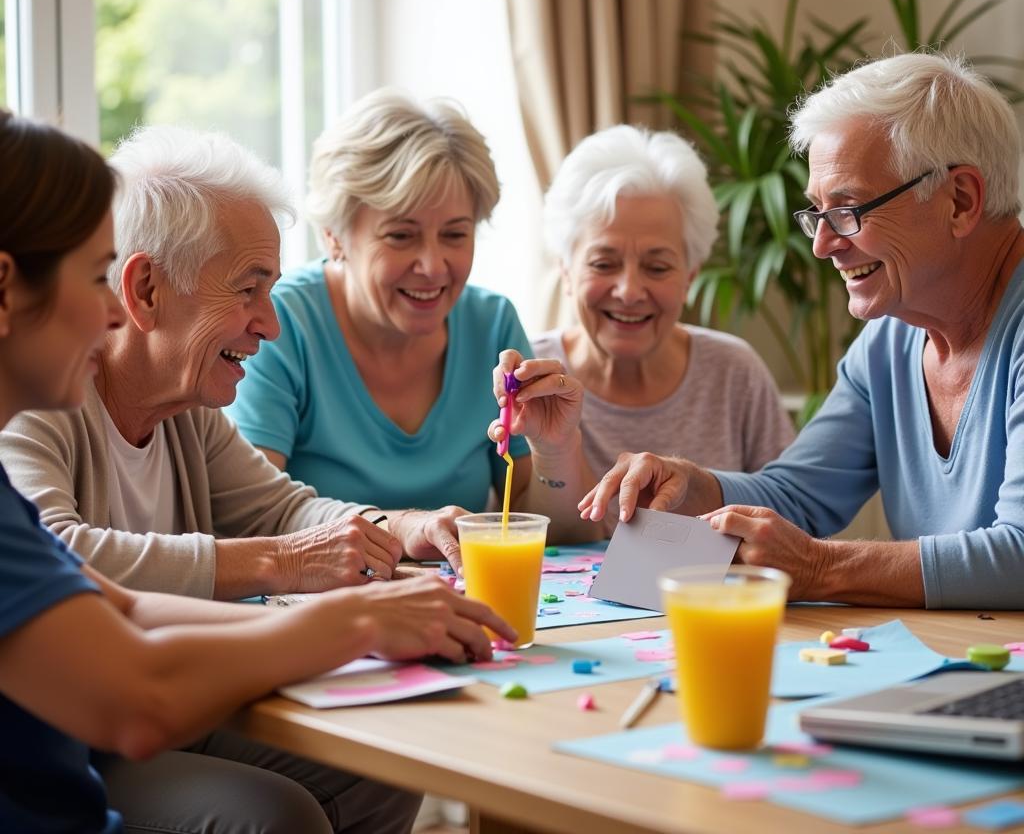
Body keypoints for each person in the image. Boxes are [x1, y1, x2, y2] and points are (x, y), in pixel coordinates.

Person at [0, 110, 516, 834]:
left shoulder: (184, 406)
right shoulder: (38, 409)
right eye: (95, 277)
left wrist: (393, 538)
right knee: (278, 814)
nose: (106, 311)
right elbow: (112, 638)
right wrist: (329, 602)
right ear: (145, 290)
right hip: (79, 751)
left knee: (382, 764)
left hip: (103, 731)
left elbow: (120, 598)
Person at [578, 52, 1024, 609]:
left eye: (849, 209)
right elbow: (799, 495)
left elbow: (1020, 554)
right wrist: (696, 487)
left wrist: (820, 566)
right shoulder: (889, 343)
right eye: (817, 213)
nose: (823, 244)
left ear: (960, 200)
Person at [0, 124, 478, 595]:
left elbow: (282, 510)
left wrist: (400, 526)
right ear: (146, 289)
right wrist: (282, 560)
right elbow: (49, 554)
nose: (271, 326)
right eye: (247, 290)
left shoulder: (186, 410)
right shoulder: (40, 393)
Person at [226, 89, 533, 519]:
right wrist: (403, 528)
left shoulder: (493, 325)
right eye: (401, 236)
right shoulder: (279, 325)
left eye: (455, 234)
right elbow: (250, 515)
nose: (432, 266)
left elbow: (536, 519)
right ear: (334, 234)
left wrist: (559, 446)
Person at [489, 124, 793, 541]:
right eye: (603, 263)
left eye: (657, 267)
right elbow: (524, 539)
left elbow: (790, 518)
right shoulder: (528, 383)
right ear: (565, 271)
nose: (630, 291)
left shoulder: (734, 372)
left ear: (689, 276)